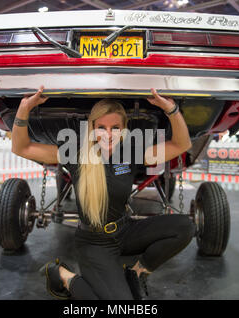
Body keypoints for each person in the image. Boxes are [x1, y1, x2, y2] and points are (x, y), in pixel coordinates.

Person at [12, 86, 196, 300]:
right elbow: (21, 148)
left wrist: (171, 109)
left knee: (184, 227)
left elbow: (182, 144)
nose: (108, 135)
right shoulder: (75, 152)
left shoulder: (131, 150)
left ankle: (137, 272)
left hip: (125, 231)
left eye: (115, 127)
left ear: (124, 128)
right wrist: (24, 109)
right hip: (94, 242)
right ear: (92, 127)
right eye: (101, 127)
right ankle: (62, 275)